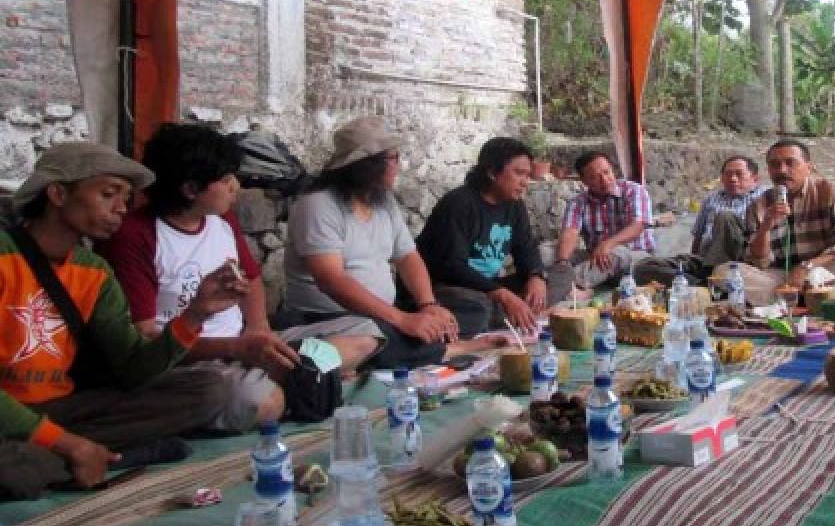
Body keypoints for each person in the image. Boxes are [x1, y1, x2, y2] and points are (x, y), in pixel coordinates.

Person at [97, 123, 384, 432]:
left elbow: (251, 279)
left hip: (247, 343)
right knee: (259, 401)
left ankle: (301, 375)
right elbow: (145, 340)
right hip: (192, 360)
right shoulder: (134, 236)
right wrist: (236, 348)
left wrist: (259, 329)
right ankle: (311, 377)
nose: (236, 186)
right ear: (191, 189)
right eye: (225, 179)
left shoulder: (221, 219)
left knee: (367, 332)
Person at [0, 142, 245, 500]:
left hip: (63, 409)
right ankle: (87, 456)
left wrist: (194, 314)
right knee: (12, 469)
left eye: (126, 198)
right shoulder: (4, 256)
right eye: (108, 194)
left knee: (211, 390)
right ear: (57, 193)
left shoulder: (94, 271)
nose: (121, 209)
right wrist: (67, 443)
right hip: (9, 417)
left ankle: (63, 458)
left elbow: (132, 368)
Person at [278, 117, 504, 368]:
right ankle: (450, 349)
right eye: (394, 158)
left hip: (382, 313)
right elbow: (331, 280)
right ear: (368, 165)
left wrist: (428, 305)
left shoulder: (383, 202)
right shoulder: (317, 205)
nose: (399, 165)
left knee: (471, 311)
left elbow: (408, 257)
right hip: (329, 319)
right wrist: (402, 320)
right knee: (376, 336)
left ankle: (417, 347)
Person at [417, 137, 571, 335]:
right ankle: (514, 313)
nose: (525, 182)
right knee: (476, 306)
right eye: (519, 173)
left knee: (562, 274)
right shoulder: (458, 204)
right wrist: (504, 296)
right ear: (491, 172)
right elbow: (452, 267)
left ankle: (515, 312)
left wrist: (536, 276)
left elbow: (526, 248)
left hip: (491, 288)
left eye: (528, 175)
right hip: (452, 288)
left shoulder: (514, 205)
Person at [742, 140, 835, 297]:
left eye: (790, 163)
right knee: (726, 272)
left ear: (809, 168)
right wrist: (766, 225)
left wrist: (807, 267)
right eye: (774, 165)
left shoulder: (832, 192)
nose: (782, 170)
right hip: (779, 276)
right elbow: (758, 261)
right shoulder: (758, 204)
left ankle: (788, 298)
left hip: (822, 271)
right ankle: (796, 296)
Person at [635, 155, 763, 284]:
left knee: (725, 217)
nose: (733, 179)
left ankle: (713, 278)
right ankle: (701, 284)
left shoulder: (763, 198)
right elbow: (698, 236)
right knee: (644, 267)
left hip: (738, 263)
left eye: (739, 174)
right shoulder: (712, 199)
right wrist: (693, 258)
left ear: (755, 179)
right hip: (704, 259)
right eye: (728, 174)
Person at [548, 151, 656, 290]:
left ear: (613, 170)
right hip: (595, 253)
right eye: (595, 177)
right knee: (547, 252)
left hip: (637, 255)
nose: (604, 180)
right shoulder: (578, 202)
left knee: (614, 254)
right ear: (584, 181)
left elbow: (637, 226)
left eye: (607, 172)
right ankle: (549, 279)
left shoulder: (633, 191)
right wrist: (562, 262)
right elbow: (570, 233)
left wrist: (608, 244)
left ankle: (561, 287)